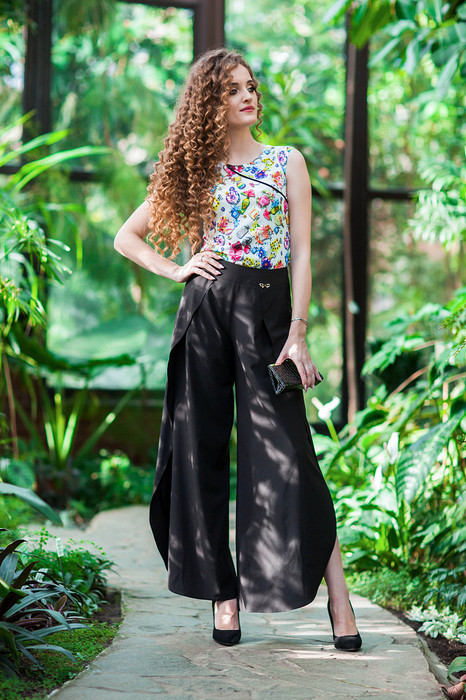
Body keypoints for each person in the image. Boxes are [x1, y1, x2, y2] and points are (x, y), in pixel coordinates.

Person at [114, 47, 362, 651]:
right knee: (197, 452)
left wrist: (298, 330)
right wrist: (177, 269)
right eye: (232, 90)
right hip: (204, 310)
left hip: (268, 316)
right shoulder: (191, 171)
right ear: (209, 103)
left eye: (250, 86)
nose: (247, 96)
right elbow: (126, 236)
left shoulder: (286, 161)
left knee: (290, 456)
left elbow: (302, 253)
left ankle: (339, 597)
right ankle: (223, 598)